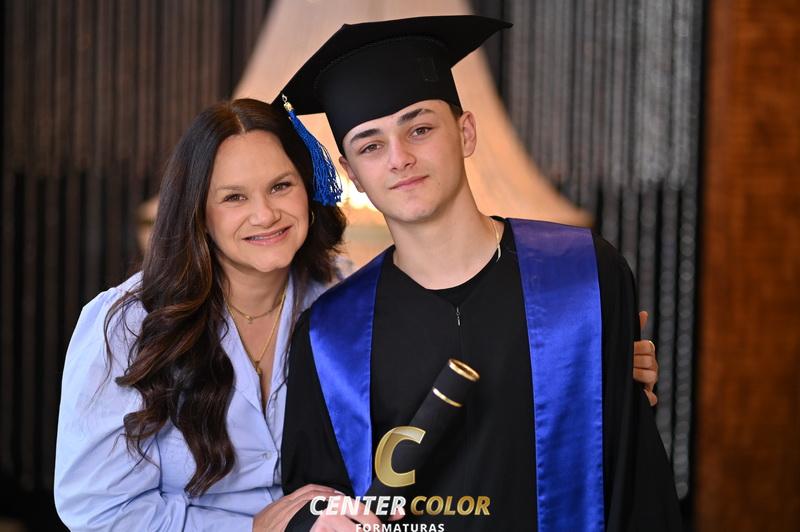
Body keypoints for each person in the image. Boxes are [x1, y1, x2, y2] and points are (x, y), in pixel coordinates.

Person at [279, 15, 681, 531]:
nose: (400, 158)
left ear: (465, 132)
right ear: (351, 172)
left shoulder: (582, 277)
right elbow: (319, 504)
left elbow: (637, 484)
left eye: (420, 129)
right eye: (371, 145)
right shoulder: (331, 337)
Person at [54, 99, 347, 531]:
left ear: (308, 187)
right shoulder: (127, 326)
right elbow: (100, 511)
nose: (265, 214)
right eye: (234, 197)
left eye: (281, 186)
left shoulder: (345, 300)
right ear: (200, 213)